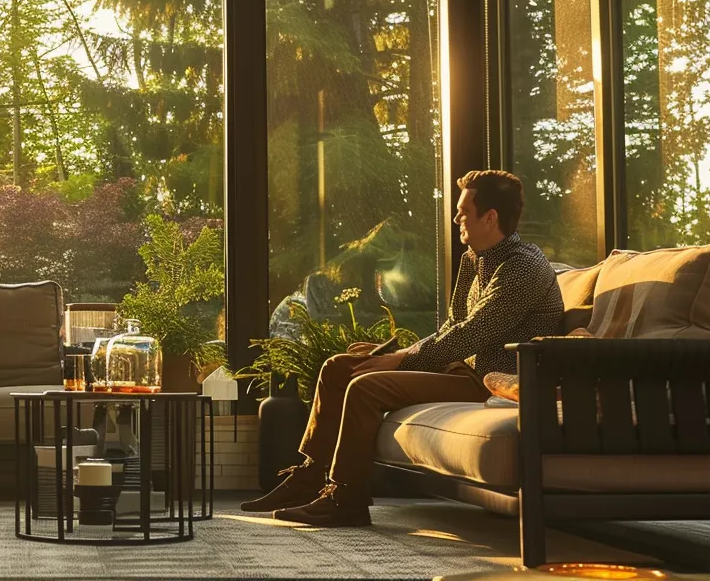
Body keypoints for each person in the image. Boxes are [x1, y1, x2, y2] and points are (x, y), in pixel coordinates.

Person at [239, 170, 565, 526]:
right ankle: (308, 478)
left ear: (490, 218)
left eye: (464, 212)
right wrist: (394, 352)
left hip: (490, 382)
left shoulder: (523, 267)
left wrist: (403, 359)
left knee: (365, 387)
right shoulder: (474, 259)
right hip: (462, 369)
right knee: (339, 367)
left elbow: (472, 334)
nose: (457, 218)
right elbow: (451, 327)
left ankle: (346, 498)